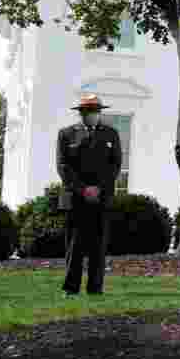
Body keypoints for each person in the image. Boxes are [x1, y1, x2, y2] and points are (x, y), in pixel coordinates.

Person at [55, 94, 122, 297]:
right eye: (87, 111)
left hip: (101, 198)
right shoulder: (66, 134)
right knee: (74, 245)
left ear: (99, 112)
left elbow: (115, 165)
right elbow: (63, 166)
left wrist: (98, 188)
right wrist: (83, 189)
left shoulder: (111, 134)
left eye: (95, 111)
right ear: (80, 113)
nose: (91, 115)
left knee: (98, 246)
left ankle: (95, 288)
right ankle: (71, 289)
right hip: (76, 198)